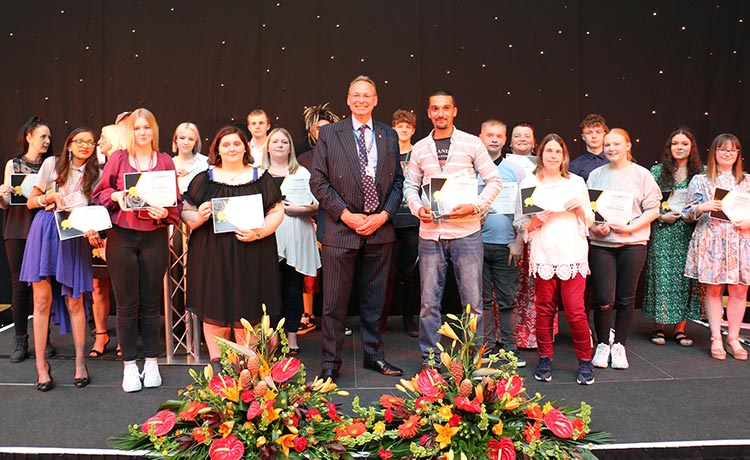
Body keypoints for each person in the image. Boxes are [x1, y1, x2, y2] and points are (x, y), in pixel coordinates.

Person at [310, 75, 404, 380]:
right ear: (348, 100)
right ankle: (329, 364)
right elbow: (318, 181)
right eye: (356, 95)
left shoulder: (389, 135)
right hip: (341, 229)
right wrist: (346, 215)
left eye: (368, 95)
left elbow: (398, 183)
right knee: (334, 302)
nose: (362, 100)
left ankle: (374, 356)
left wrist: (384, 216)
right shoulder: (330, 134)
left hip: (379, 229)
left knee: (375, 301)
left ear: (375, 100)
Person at [403, 90, 502, 368]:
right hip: (431, 234)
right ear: (429, 112)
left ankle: (473, 361)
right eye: (435, 108)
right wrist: (416, 208)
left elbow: (494, 181)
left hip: (467, 234)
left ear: (454, 111)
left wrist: (476, 205)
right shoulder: (420, 148)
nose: (440, 113)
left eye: (445, 108)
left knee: (473, 304)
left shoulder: (472, 143)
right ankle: (431, 361)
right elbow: (410, 186)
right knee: (428, 305)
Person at [92, 108, 182, 392]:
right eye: (137, 128)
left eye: (147, 128)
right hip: (122, 237)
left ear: (154, 131)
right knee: (126, 304)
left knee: (151, 304)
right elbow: (99, 194)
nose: (142, 132)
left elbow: (176, 204)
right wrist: (116, 195)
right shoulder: (118, 158)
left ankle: (152, 362)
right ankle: (130, 366)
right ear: (130, 132)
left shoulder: (165, 160)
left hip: (154, 237)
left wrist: (163, 212)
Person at [181, 126, 284, 371]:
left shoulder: (261, 177)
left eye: (236, 144)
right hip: (212, 256)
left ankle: (245, 369)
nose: (231, 149)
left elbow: (277, 211)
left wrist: (258, 233)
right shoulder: (204, 179)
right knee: (215, 307)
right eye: (225, 144)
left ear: (245, 147)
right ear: (217, 149)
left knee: (248, 311)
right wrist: (199, 216)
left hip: (253, 254)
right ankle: (218, 367)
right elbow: (185, 212)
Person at [20, 127, 101, 390]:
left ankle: (80, 362)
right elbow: (31, 202)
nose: (85, 145)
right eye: (80, 141)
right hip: (45, 231)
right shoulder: (51, 164)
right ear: (69, 144)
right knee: (41, 302)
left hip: (74, 236)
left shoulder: (96, 174)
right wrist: (48, 197)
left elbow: (96, 213)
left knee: (75, 301)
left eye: (90, 142)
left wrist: (93, 230)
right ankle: (41, 366)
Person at [515, 134, 595, 384]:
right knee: (544, 309)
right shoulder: (529, 182)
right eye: (548, 151)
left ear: (564, 156)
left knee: (575, 311)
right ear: (541, 154)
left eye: (557, 152)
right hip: (544, 253)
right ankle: (545, 358)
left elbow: (590, 219)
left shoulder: (577, 182)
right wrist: (534, 222)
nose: (552, 155)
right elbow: (521, 222)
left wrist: (580, 210)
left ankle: (585, 361)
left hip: (572, 253)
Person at [587, 128, 661, 370]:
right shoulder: (596, 175)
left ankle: (619, 345)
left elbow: (653, 210)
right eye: (607, 145)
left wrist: (630, 228)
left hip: (633, 244)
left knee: (626, 298)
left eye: (616, 144)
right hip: (602, 245)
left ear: (628, 146)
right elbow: (590, 211)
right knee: (603, 299)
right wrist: (596, 228)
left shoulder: (642, 175)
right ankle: (602, 344)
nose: (611, 148)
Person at [683, 133, 749, 361]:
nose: (727, 154)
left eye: (732, 150)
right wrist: (703, 207)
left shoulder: (747, 181)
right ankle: (715, 337)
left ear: (738, 154)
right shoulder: (701, 180)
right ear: (714, 152)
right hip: (712, 240)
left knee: (740, 290)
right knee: (713, 289)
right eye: (722, 150)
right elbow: (687, 214)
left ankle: (733, 337)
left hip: (740, 241)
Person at [643, 128, 704, 347]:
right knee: (662, 277)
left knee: (684, 280)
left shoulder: (701, 173)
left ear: (691, 147)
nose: (679, 147)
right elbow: (646, 202)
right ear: (669, 148)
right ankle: (658, 327)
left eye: (684, 143)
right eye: (675, 143)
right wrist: (661, 216)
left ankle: (680, 328)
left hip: (689, 232)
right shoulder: (657, 171)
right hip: (664, 230)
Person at [262, 127, 320, 354]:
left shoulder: (302, 173)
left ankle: (292, 337)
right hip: (267, 238)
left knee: (293, 288)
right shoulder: (258, 173)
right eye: (275, 141)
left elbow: (317, 204)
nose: (279, 145)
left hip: (296, 235)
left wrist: (298, 209)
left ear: (290, 147)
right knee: (269, 290)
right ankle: (272, 337)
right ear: (268, 146)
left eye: (284, 142)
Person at [0, 117, 53, 363]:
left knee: (44, 285)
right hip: (17, 228)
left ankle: (45, 337)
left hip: (42, 228)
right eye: (43, 136)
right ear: (29, 136)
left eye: (49, 137)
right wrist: (2, 195)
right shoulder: (14, 164)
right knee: (20, 285)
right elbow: (7, 204)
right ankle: (21, 339)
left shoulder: (50, 165)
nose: (47, 141)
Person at [478, 119, 526, 367]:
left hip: (507, 245)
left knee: (507, 300)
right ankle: (484, 349)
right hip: (475, 245)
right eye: (489, 134)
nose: (494, 139)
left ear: (505, 140)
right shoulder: (469, 169)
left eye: (499, 135)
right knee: (482, 301)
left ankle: (509, 349)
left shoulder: (516, 171)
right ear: (481, 137)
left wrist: (520, 239)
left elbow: (527, 210)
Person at [296, 102, 341, 334]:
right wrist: (312, 222)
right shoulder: (303, 159)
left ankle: (335, 320)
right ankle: (307, 315)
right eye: (317, 128)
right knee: (308, 270)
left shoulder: (344, 156)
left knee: (337, 273)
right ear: (311, 132)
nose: (321, 132)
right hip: (309, 221)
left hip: (338, 221)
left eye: (326, 127)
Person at [381, 109, 420, 337]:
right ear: (393, 128)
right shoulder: (387, 153)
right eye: (399, 125)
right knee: (386, 271)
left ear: (413, 130)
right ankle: (382, 319)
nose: (403, 129)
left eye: (408, 126)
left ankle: (409, 319)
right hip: (388, 219)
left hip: (412, 220)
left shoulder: (418, 153)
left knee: (410, 272)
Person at [569, 114, 609, 181]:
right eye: (589, 133)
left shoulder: (614, 161)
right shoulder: (574, 166)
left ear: (604, 135)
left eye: (598, 132)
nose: (594, 136)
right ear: (583, 137)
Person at [171, 122, 208, 194]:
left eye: (191, 139)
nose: (186, 142)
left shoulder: (205, 163)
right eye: (182, 138)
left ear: (196, 142)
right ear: (176, 140)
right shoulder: (168, 163)